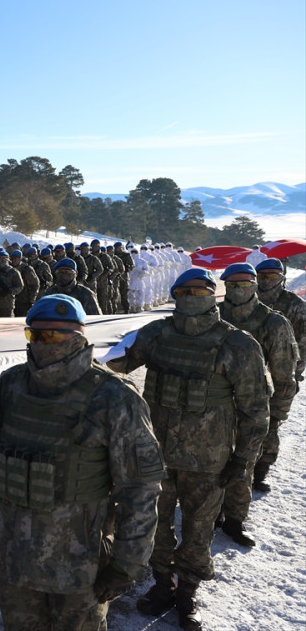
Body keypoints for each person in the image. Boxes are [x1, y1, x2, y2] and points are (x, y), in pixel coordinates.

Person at [0, 294, 164, 630]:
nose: (44, 343)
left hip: (78, 567)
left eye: (54, 335)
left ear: (79, 336)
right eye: (35, 335)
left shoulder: (114, 397)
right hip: (16, 557)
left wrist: (127, 563)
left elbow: (140, 488)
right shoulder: (13, 383)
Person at [108, 268, 269, 630]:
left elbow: (256, 409)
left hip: (208, 461)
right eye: (184, 292)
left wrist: (243, 458)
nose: (191, 298)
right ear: (175, 295)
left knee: (198, 530)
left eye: (199, 292)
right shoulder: (156, 333)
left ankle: (187, 593)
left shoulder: (237, 345)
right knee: (156, 526)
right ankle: (163, 585)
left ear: (213, 295)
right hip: (155, 456)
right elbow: (114, 366)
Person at [216, 263, 298, 545]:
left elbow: (284, 374)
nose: (238, 290)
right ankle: (213, 512)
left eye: (244, 284)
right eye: (232, 285)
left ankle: (235, 520)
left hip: (255, 407)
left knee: (243, 465)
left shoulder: (273, 323)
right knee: (211, 465)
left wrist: (276, 414)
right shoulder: (212, 316)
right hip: (214, 407)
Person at [254, 258, 306, 493]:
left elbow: (304, 343)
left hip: (280, 375)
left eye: (272, 277)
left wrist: (296, 374)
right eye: (262, 277)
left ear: (282, 278)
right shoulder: (245, 299)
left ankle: (261, 471)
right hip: (248, 374)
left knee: (271, 425)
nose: (266, 282)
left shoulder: (294, 304)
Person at [0, 248, 23, 317]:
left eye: (4, 259)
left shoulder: (13, 272)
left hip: (7, 305)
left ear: (8, 259)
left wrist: (9, 291)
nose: (2, 261)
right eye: (0, 259)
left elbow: (20, 286)